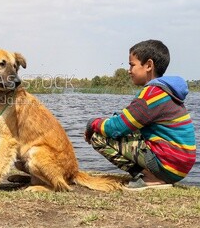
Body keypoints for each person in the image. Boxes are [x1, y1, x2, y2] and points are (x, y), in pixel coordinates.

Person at [84, 40, 196, 191]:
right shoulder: (165, 92)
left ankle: (151, 178)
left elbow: (116, 128)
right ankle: (155, 175)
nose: (129, 70)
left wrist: (92, 124)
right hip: (179, 165)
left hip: (168, 164)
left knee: (98, 137)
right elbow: (129, 120)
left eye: (132, 64)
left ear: (148, 65)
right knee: (129, 130)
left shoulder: (151, 94)